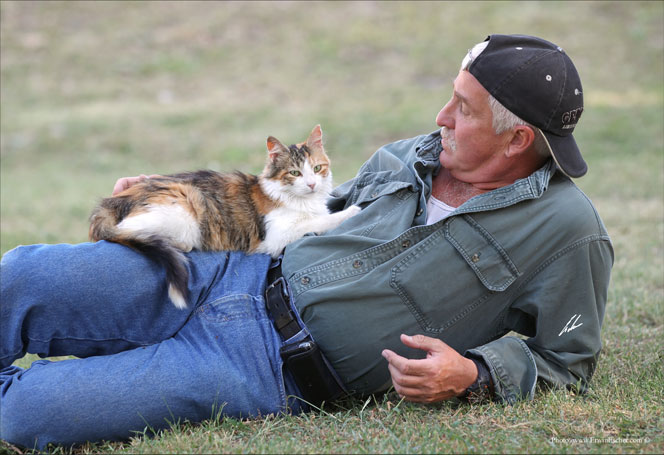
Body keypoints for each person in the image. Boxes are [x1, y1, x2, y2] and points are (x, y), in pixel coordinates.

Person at [0, 34, 613, 450]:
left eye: (464, 108)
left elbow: (568, 362)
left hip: (265, 367)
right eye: (451, 96)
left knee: (29, 414)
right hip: (229, 273)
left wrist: (473, 375)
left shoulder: (568, 233)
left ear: (516, 139)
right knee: (20, 276)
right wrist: (165, 198)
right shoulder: (412, 155)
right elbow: (304, 208)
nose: (441, 117)